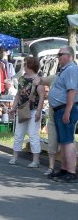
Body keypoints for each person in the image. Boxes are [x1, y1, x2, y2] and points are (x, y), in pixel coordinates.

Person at [45, 46, 78, 182]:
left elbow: (72, 91)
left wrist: (68, 111)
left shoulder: (71, 69)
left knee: (68, 142)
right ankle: (64, 169)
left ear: (69, 56)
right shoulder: (64, 70)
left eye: (60, 54)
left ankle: (71, 172)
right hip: (60, 110)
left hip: (65, 109)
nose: (58, 57)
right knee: (63, 142)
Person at [9, 57, 45, 167]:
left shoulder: (38, 80)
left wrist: (39, 112)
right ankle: (14, 157)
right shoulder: (21, 79)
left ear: (30, 66)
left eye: (25, 64)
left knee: (33, 135)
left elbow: (42, 97)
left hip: (34, 110)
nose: (23, 66)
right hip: (23, 109)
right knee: (18, 133)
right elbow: (18, 95)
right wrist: (13, 107)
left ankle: (36, 160)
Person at [34, 75, 58, 176]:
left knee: (67, 145)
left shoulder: (72, 78)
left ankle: (68, 170)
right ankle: (51, 167)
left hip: (67, 117)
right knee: (52, 144)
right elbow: (40, 79)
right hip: (53, 117)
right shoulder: (54, 78)